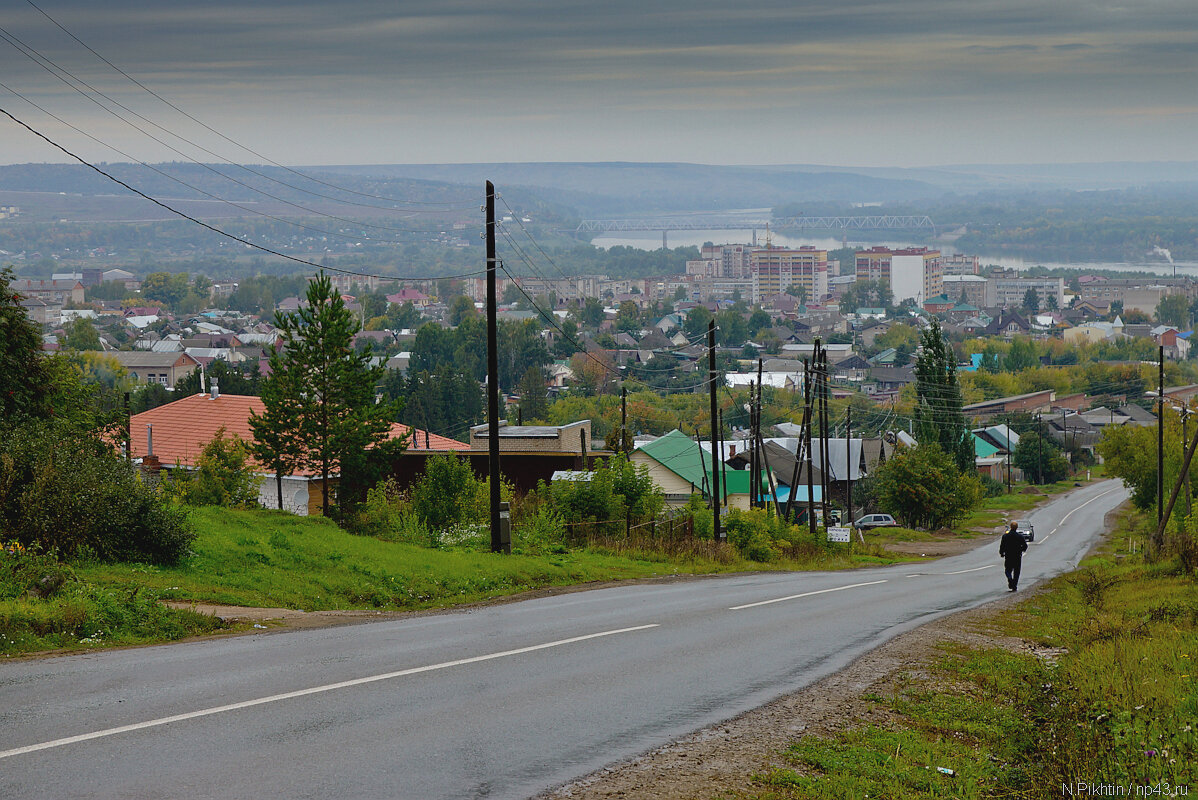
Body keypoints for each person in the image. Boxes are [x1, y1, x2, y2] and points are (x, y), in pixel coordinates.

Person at [999, 521, 1028, 592]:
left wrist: (1002, 553)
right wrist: (1022, 550)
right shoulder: (1019, 536)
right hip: (1017, 556)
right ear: (1017, 528)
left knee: (1007, 570)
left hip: (1008, 556)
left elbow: (1002, 545)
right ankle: (1014, 585)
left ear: (1010, 527)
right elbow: (1025, 545)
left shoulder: (1005, 536)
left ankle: (1009, 578)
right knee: (1016, 571)